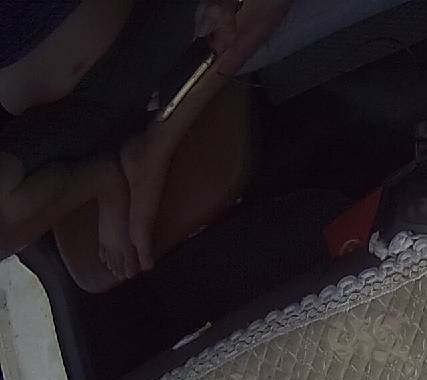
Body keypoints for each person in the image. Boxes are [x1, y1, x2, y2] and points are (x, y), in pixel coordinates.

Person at [0, 0, 291, 292]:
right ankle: (150, 149)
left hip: (109, 76)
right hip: (92, 93)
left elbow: (98, 174)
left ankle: (155, 146)